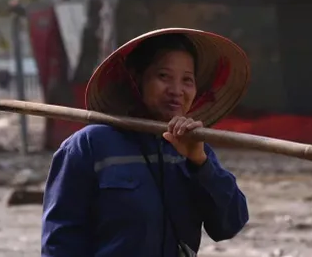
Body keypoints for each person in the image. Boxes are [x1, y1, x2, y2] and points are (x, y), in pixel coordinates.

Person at [41, 28, 251, 257]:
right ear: (136, 77)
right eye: (163, 76)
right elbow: (60, 243)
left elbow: (229, 225)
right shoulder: (90, 146)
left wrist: (201, 163)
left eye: (187, 80)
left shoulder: (194, 148)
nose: (177, 91)